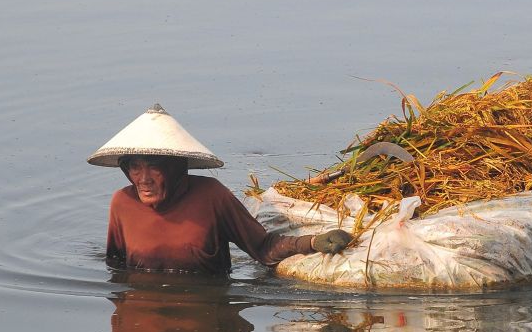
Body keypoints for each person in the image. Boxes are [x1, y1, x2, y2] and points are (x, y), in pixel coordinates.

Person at [88, 104, 351, 274]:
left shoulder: (212, 196)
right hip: (143, 309)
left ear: (174, 168)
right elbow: (116, 266)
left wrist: (314, 242)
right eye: (135, 167)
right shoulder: (122, 203)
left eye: (154, 167)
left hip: (205, 309)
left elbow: (262, 247)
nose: (143, 179)